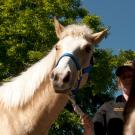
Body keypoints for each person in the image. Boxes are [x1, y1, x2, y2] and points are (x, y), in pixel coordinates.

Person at [81, 60, 135, 135]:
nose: (126, 79)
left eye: (130, 76)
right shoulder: (107, 108)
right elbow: (93, 132)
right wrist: (88, 130)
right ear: (119, 82)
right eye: (123, 77)